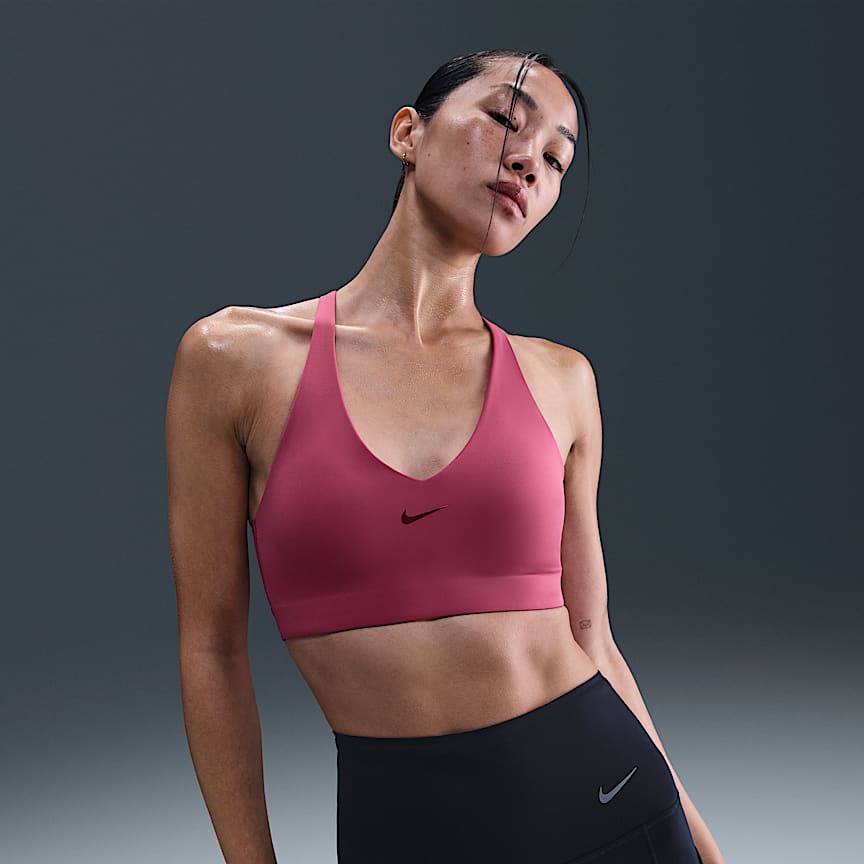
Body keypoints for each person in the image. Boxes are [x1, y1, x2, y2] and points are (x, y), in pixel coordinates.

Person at [166, 49, 723, 863]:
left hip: (610, 806)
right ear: (408, 133)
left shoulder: (562, 380)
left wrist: (701, 841)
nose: (529, 161)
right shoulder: (233, 360)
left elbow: (591, 635)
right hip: (405, 831)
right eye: (505, 119)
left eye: (556, 159)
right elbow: (211, 650)